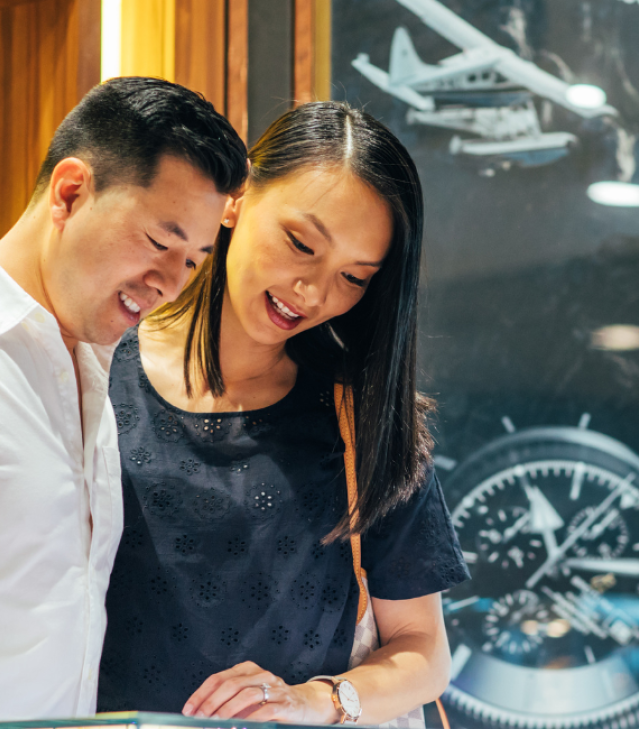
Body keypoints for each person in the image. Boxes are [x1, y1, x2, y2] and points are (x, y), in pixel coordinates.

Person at [97, 101, 469, 723]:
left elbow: (425, 650)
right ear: (237, 198)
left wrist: (315, 701)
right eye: (301, 244)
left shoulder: (363, 419)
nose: (314, 292)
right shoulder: (96, 370)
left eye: (353, 278)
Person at [0, 77, 249, 721]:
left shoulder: (91, 364)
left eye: (193, 262)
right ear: (71, 192)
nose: (169, 284)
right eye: (160, 244)